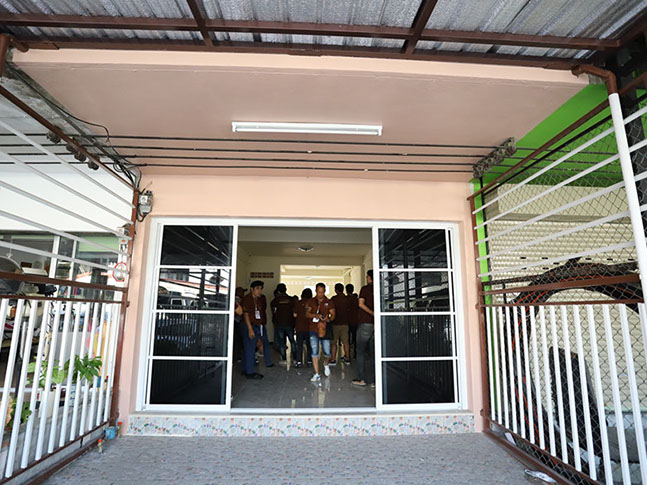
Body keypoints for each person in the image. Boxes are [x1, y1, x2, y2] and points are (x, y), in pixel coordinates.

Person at [240, 280, 273, 379]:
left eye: (261, 289)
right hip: (249, 325)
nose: (260, 291)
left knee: (250, 347)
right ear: (252, 289)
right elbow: (246, 315)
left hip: (258, 325)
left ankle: (246, 368)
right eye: (257, 289)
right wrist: (250, 329)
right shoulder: (247, 299)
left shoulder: (259, 299)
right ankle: (249, 372)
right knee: (250, 348)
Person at [305, 282, 335, 382]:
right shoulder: (311, 301)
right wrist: (315, 315)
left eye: (322, 292)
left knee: (327, 351)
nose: (320, 294)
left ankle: (326, 364)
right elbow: (307, 314)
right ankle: (316, 373)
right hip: (313, 329)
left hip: (324, 330)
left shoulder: (329, 302)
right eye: (319, 292)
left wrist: (328, 319)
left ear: (325, 291)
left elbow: (333, 315)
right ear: (316, 291)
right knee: (314, 351)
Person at [352, 270, 374, 387]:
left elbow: (361, 304)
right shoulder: (379, 289)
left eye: (367, 277)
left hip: (366, 323)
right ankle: (374, 381)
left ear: (369, 278)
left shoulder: (365, 289)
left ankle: (361, 379)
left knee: (360, 351)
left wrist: (372, 313)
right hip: (377, 324)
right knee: (374, 353)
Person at [271, 283, 296, 366]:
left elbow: (274, 312)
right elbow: (294, 312)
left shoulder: (275, 301)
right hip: (290, 324)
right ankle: (295, 359)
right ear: (286, 290)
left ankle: (284, 359)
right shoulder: (291, 300)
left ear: (278, 291)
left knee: (282, 342)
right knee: (292, 341)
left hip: (279, 324)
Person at [330, 283, 350, 365]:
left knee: (333, 342)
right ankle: (347, 358)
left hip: (335, 323)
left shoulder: (333, 299)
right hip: (345, 323)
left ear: (336, 290)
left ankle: (333, 359)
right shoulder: (347, 299)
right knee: (345, 342)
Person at [293, 288, 313, 368]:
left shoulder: (298, 303)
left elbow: (295, 315)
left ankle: (299, 361)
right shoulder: (312, 303)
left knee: (299, 345)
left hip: (299, 327)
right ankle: (309, 361)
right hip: (309, 327)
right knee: (309, 345)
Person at [346, 283, 359, 358]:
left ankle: (347, 355)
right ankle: (355, 353)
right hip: (355, 321)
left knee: (347, 339)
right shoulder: (356, 300)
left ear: (346, 290)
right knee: (355, 338)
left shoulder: (345, 299)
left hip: (346, 321)